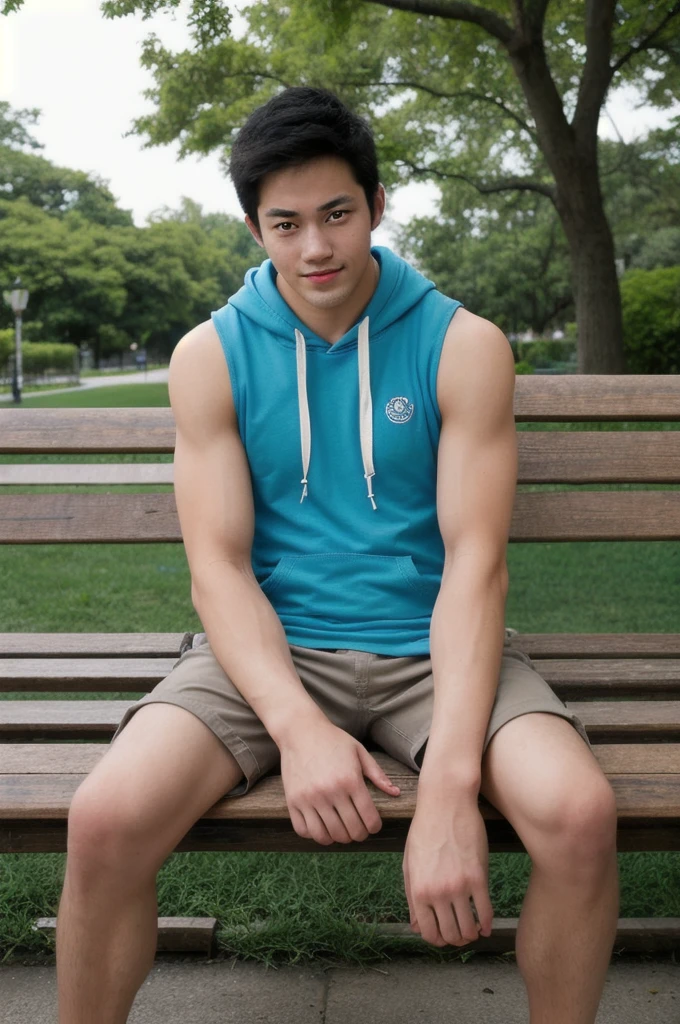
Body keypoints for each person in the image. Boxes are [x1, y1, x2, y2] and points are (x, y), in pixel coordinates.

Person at [55, 87, 619, 1024]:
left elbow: (476, 562)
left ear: (377, 204)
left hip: (435, 651)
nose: (315, 248)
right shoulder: (211, 355)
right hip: (267, 652)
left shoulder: (464, 345)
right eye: (285, 224)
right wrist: (300, 729)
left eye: (336, 215)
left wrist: (448, 790)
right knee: (105, 820)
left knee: (578, 816)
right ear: (253, 225)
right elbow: (218, 570)